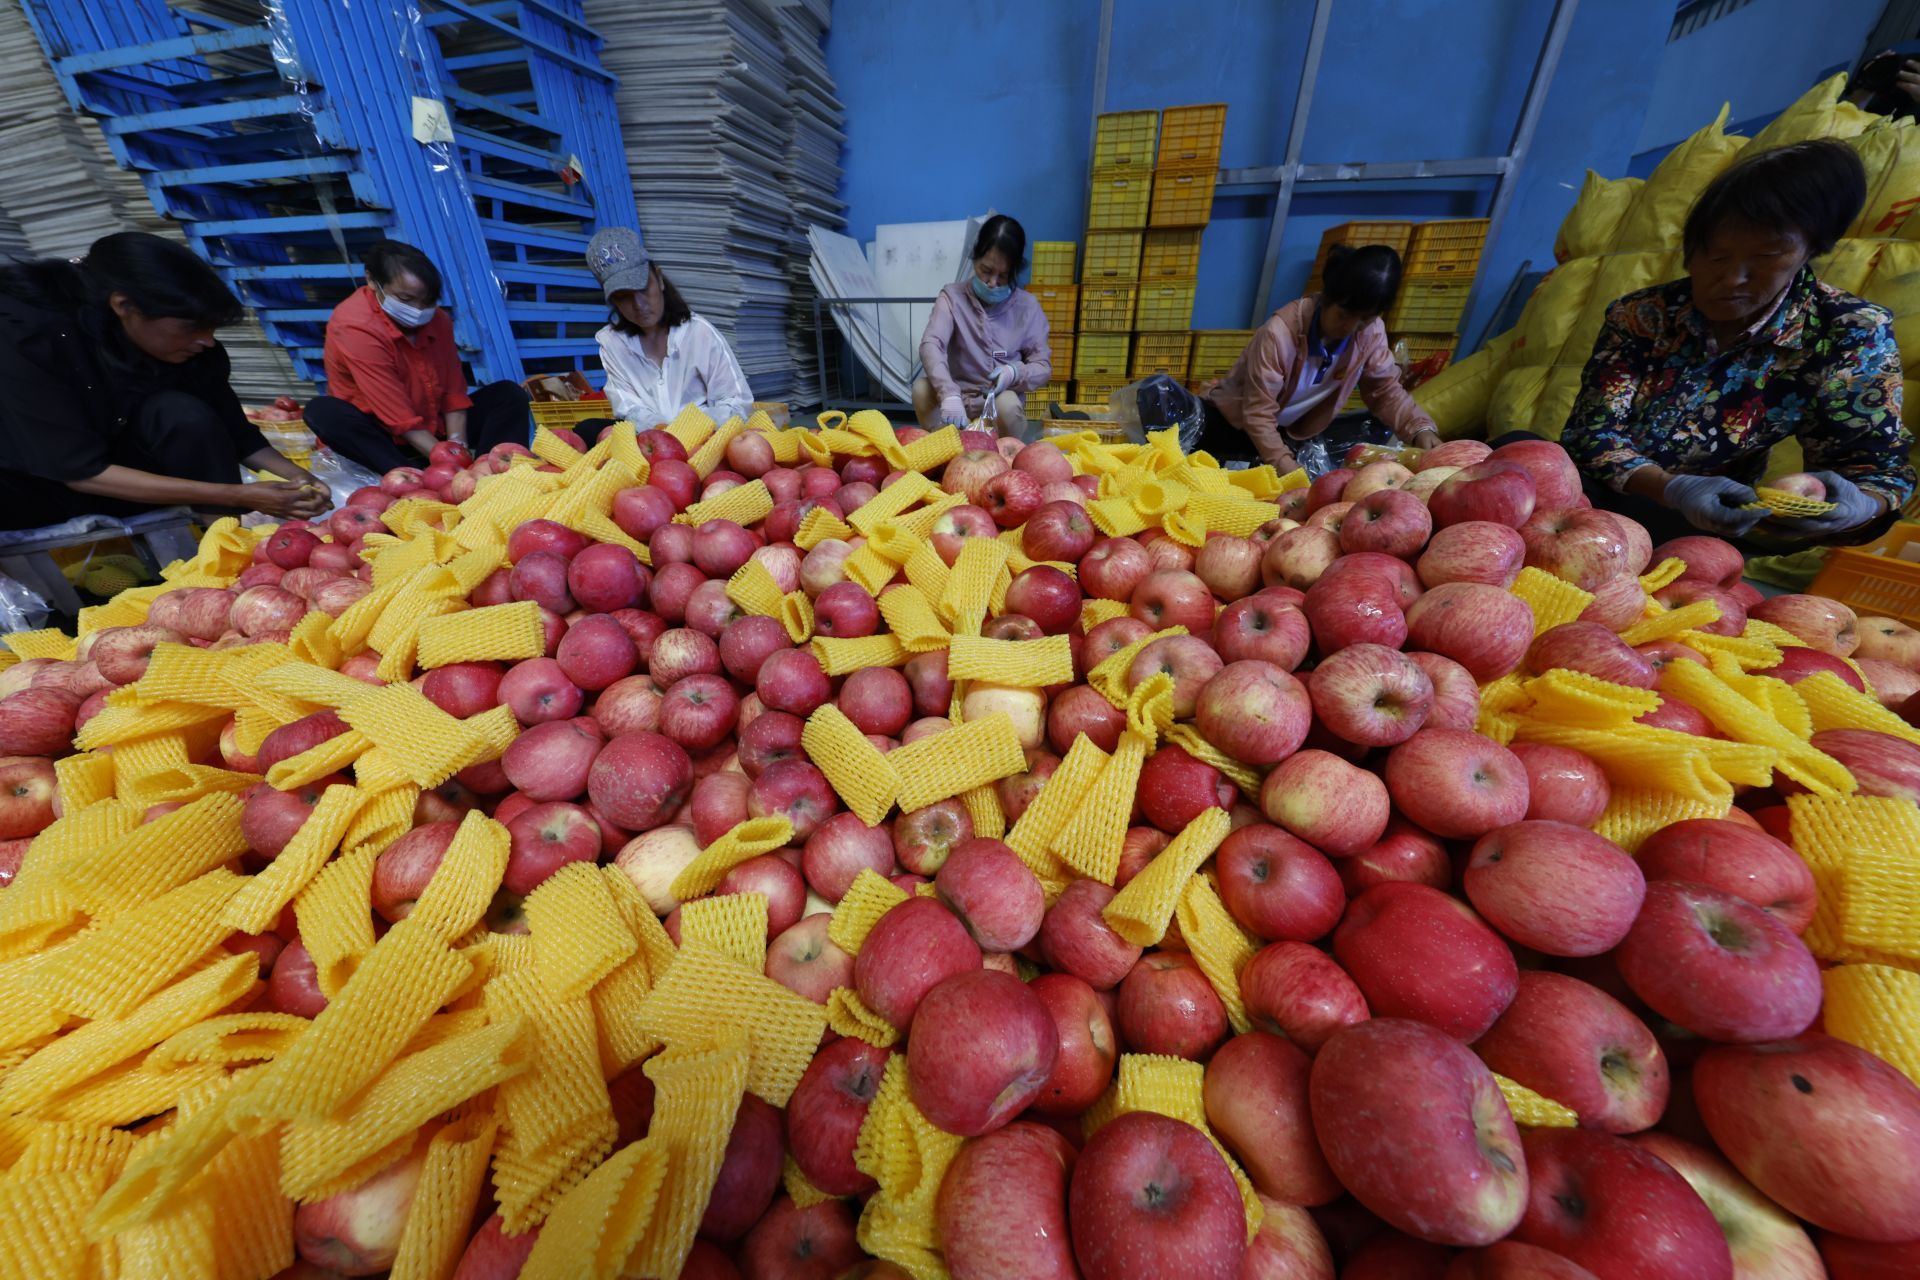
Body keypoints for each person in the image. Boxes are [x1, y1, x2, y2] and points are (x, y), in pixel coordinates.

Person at [1559, 140, 1913, 548]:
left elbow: (1874, 466)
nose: (1731, 280)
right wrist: (1670, 487)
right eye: (1715, 257)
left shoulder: (1849, 332)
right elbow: (1592, 435)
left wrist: (1861, 505)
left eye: (1765, 257)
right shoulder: (1642, 316)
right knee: (1518, 448)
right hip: (1610, 493)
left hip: (1713, 519)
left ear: (1809, 251)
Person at [0, 232, 326, 531]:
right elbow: (78, 469)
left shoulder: (181, 345)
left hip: (131, 466)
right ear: (124, 306)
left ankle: (224, 544)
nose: (206, 342)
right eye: (192, 329)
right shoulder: (30, 335)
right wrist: (240, 495)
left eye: (211, 330)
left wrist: (301, 479)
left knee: (183, 413)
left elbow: (235, 431)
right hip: (38, 485)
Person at [1200, 244, 1441, 472]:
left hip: (1291, 432)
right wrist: (1285, 466)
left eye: (1365, 318)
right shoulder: (1279, 335)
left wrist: (1419, 428)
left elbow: (1385, 391)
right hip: (1236, 425)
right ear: (1327, 296)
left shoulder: (1370, 333)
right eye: (1344, 314)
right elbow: (1258, 414)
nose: (1351, 327)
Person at [307, 241, 531, 473]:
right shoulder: (355, 326)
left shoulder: (438, 320)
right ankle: (412, 479)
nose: (418, 310)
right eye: (405, 300)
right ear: (373, 281)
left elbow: (453, 393)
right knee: (324, 412)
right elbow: (397, 416)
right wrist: (452, 469)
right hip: (385, 440)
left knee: (508, 394)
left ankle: (494, 472)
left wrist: (458, 449)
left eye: (427, 301)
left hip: (433, 428)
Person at [579, 228, 751, 440]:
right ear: (614, 302)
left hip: (704, 439)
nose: (638, 304)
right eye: (623, 297)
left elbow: (736, 404)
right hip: (649, 441)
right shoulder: (613, 344)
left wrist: (688, 429)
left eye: (642, 288)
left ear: (659, 279)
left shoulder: (699, 334)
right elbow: (629, 408)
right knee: (586, 430)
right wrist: (661, 432)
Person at [914, 215, 1051, 438]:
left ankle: (1007, 455)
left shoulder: (1027, 307)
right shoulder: (952, 297)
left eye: (1003, 276)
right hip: (955, 399)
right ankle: (940, 446)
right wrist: (949, 393)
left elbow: (1042, 366)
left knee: (1008, 405)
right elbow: (931, 344)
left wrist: (1015, 372)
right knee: (921, 389)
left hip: (995, 403)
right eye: (986, 271)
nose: (992, 282)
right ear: (975, 257)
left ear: (1015, 271)